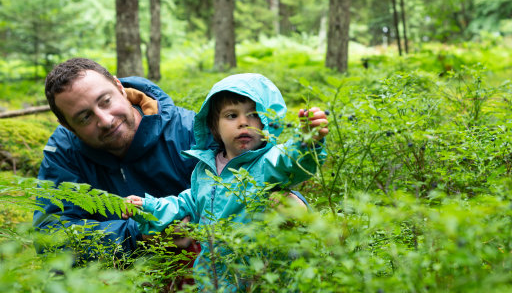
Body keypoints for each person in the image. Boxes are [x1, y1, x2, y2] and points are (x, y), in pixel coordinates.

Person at [33, 58, 310, 255]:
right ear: (68, 126)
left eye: (105, 101)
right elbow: (50, 234)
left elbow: (259, 171)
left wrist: (294, 201)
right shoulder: (65, 154)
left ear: (120, 88)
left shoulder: (188, 133)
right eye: (84, 117)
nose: (105, 120)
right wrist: (137, 236)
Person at [123, 73, 328, 293]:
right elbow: (184, 204)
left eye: (253, 115)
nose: (243, 122)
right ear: (214, 127)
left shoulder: (267, 163)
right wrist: (147, 207)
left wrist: (308, 140)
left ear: (266, 123)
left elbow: (292, 160)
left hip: (258, 277)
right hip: (213, 280)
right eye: (232, 115)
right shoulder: (204, 171)